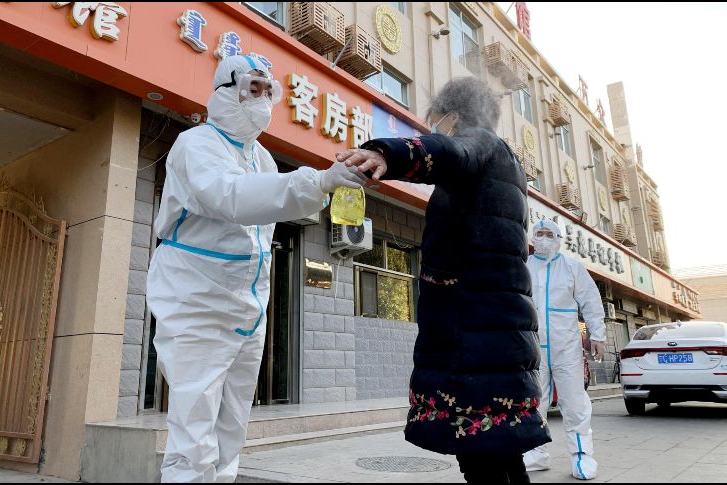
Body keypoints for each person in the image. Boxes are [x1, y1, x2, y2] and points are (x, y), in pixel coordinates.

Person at [146, 55, 363, 483]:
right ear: (227, 89)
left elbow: (263, 222)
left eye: (269, 91)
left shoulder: (261, 157)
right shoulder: (197, 144)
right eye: (253, 89)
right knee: (194, 426)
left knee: (232, 422)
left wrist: (321, 189)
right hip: (196, 299)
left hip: (248, 306)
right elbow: (230, 196)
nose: (262, 100)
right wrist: (317, 182)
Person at [337, 77, 551, 484]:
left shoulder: (478, 142)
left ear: (454, 115)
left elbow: (449, 151)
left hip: (470, 331)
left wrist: (389, 153)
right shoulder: (507, 167)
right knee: (500, 449)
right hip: (494, 329)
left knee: (479, 456)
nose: (431, 127)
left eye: (434, 119)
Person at [523, 219, 607, 480]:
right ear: (532, 237)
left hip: (566, 346)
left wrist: (598, 335)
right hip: (532, 347)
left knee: (574, 402)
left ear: (559, 238)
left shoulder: (572, 268)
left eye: (550, 234)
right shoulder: (523, 267)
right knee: (534, 402)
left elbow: (591, 301)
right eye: (540, 234)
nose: (544, 238)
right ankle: (535, 453)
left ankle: (582, 456)